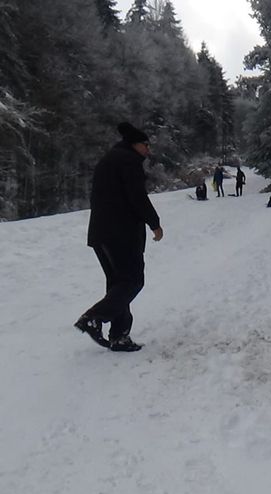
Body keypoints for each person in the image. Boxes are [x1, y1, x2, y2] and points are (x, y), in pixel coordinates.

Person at [74, 122, 163, 352]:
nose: (148, 150)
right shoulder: (128, 161)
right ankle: (94, 317)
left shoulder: (110, 160)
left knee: (118, 284)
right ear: (135, 144)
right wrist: (155, 224)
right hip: (121, 234)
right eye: (146, 145)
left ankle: (119, 336)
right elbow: (137, 197)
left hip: (100, 234)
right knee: (133, 281)